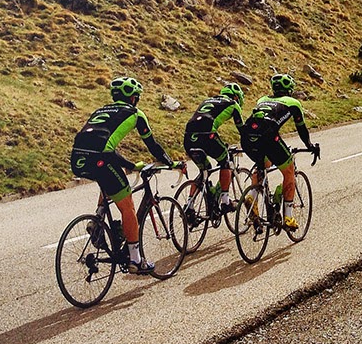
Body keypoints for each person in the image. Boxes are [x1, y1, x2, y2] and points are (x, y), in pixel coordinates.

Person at [70, 76, 175, 274]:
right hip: (102, 158)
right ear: (133, 98)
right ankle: (135, 260)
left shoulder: (100, 110)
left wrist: (128, 164)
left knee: (106, 181)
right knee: (128, 207)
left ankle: (98, 219)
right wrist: (168, 162)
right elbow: (151, 144)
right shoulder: (135, 113)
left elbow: (99, 142)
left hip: (77, 158)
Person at [241, 74, 319, 231]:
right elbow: (301, 128)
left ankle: (252, 197)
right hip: (268, 136)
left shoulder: (262, 99)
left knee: (263, 165)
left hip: (247, 136)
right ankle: (288, 217)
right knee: (289, 171)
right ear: (290, 89)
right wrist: (309, 145)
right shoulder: (293, 102)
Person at [183, 83, 246, 213]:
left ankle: (189, 205)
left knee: (204, 170)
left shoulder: (208, 100)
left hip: (188, 137)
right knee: (226, 161)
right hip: (207, 136)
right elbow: (242, 131)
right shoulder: (233, 104)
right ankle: (225, 201)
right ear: (236, 97)